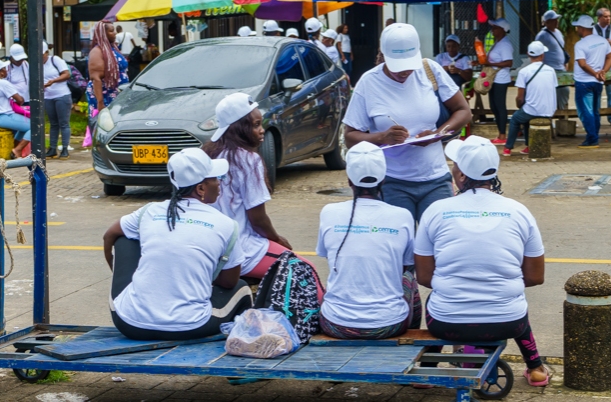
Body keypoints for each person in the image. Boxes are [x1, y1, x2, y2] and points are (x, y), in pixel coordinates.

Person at [414, 136, 549, 386]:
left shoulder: (435, 210)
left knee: (438, 300)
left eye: (454, 164)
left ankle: (426, 370)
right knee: (513, 299)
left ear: (462, 175)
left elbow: (424, 277)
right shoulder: (519, 211)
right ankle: (536, 368)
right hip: (508, 322)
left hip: (447, 323)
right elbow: (534, 277)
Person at [103, 148, 252, 340]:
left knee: (124, 237)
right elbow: (229, 282)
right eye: (216, 179)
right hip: (191, 327)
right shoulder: (226, 224)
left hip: (130, 323)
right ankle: (242, 338)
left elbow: (109, 236)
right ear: (201, 189)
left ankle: (138, 295)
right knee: (243, 288)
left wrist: (133, 277)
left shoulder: (149, 211)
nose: (219, 183)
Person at [343, 23, 472, 221]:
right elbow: (350, 137)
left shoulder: (429, 70)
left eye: (409, 66)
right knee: (400, 245)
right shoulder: (369, 83)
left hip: (436, 179)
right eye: (398, 67)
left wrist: (437, 134)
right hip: (391, 181)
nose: (404, 72)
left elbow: (463, 111)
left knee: (440, 242)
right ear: (383, 55)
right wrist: (382, 137)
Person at [316, 142, 416, 340]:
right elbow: (407, 265)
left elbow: (328, 256)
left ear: (349, 181)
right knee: (409, 280)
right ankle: (412, 342)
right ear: (383, 179)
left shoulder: (329, 212)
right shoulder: (403, 216)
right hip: (390, 325)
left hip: (336, 324)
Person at [202, 93, 299, 280]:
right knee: (304, 269)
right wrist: (278, 240)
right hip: (239, 248)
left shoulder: (208, 153)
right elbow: (258, 219)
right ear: (240, 129)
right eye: (255, 126)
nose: (262, 130)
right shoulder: (249, 160)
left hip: (209, 244)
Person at [503, 41, 556, 156]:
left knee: (515, 119)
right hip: (549, 110)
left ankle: (508, 147)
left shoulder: (524, 72)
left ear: (528, 54)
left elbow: (520, 97)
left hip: (532, 109)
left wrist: (519, 105)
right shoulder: (551, 71)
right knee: (526, 115)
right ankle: (528, 145)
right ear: (542, 55)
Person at [572, 14, 611, 149]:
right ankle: (594, 135)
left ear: (582, 28)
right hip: (598, 82)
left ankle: (592, 138)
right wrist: (603, 72)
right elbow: (610, 57)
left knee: (585, 111)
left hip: (584, 81)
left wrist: (595, 73)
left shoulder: (580, 45)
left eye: (577, 27)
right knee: (595, 110)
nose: (576, 29)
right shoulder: (602, 41)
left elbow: (582, 64)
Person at [0, 59, 31, 158]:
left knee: (23, 128)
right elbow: (20, 100)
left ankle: (14, 149)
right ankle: (17, 150)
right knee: (34, 126)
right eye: (5, 68)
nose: (7, 70)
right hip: (4, 116)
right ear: (0, 72)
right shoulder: (3, 83)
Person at [87, 20, 130, 122]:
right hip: (105, 95)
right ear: (103, 34)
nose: (114, 33)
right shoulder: (97, 51)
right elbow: (96, 78)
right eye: (111, 31)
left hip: (117, 94)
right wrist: (100, 102)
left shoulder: (113, 49)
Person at [485, 17, 514, 145]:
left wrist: (492, 63)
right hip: (494, 79)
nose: (493, 30)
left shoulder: (505, 44)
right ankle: (500, 133)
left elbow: (509, 62)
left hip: (501, 79)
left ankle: (502, 135)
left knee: (500, 106)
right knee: (493, 106)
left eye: (495, 28)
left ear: (502, 30)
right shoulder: (498, 42)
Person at [42, 41, 72, 160]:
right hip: (48, 97)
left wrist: (53, 81)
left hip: (61, 95)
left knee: (63, 123)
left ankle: (65, 148)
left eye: (43, 54)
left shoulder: (55, 60)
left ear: (47, 52)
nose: (41, 57)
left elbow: (66, 74)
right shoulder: (37, 64)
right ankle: (52, 149)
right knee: (53, 123)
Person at [536, 10, 570, 111]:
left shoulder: (558, 32)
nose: (556, 22)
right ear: (547, 22)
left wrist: (565, 62)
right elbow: (537, 51)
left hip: (561, 68)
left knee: (564, 91)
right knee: (551, 94)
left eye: (556, 19)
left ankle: (563, 117)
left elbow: (561, 48)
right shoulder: (542, 35)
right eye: (553, 20)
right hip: (550, 69)